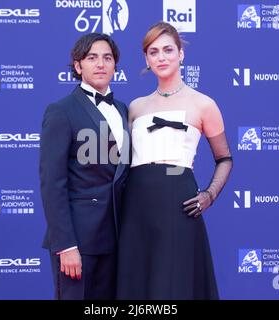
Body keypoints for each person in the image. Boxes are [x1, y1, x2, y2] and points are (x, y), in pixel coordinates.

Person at [116, 22, 233, 300]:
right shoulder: (135, 107)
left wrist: (209, 194)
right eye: (154, 52)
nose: (161, 57)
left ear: (181, 54)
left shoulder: (203, 104)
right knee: (137, 285)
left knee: (174, 284)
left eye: (168, 50)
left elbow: (225, 158)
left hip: (179, 203)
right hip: (136, 205)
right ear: (146, 59)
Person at [40, 33, 129, 300]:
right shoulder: (61, 111)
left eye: (107, 58)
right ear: (78, 66)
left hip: (116, 239)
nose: (100, 64)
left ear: (115, 66)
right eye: (92, 58)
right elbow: (52, 183)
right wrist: (65, 244)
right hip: (78, 242)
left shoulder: (124, 109)